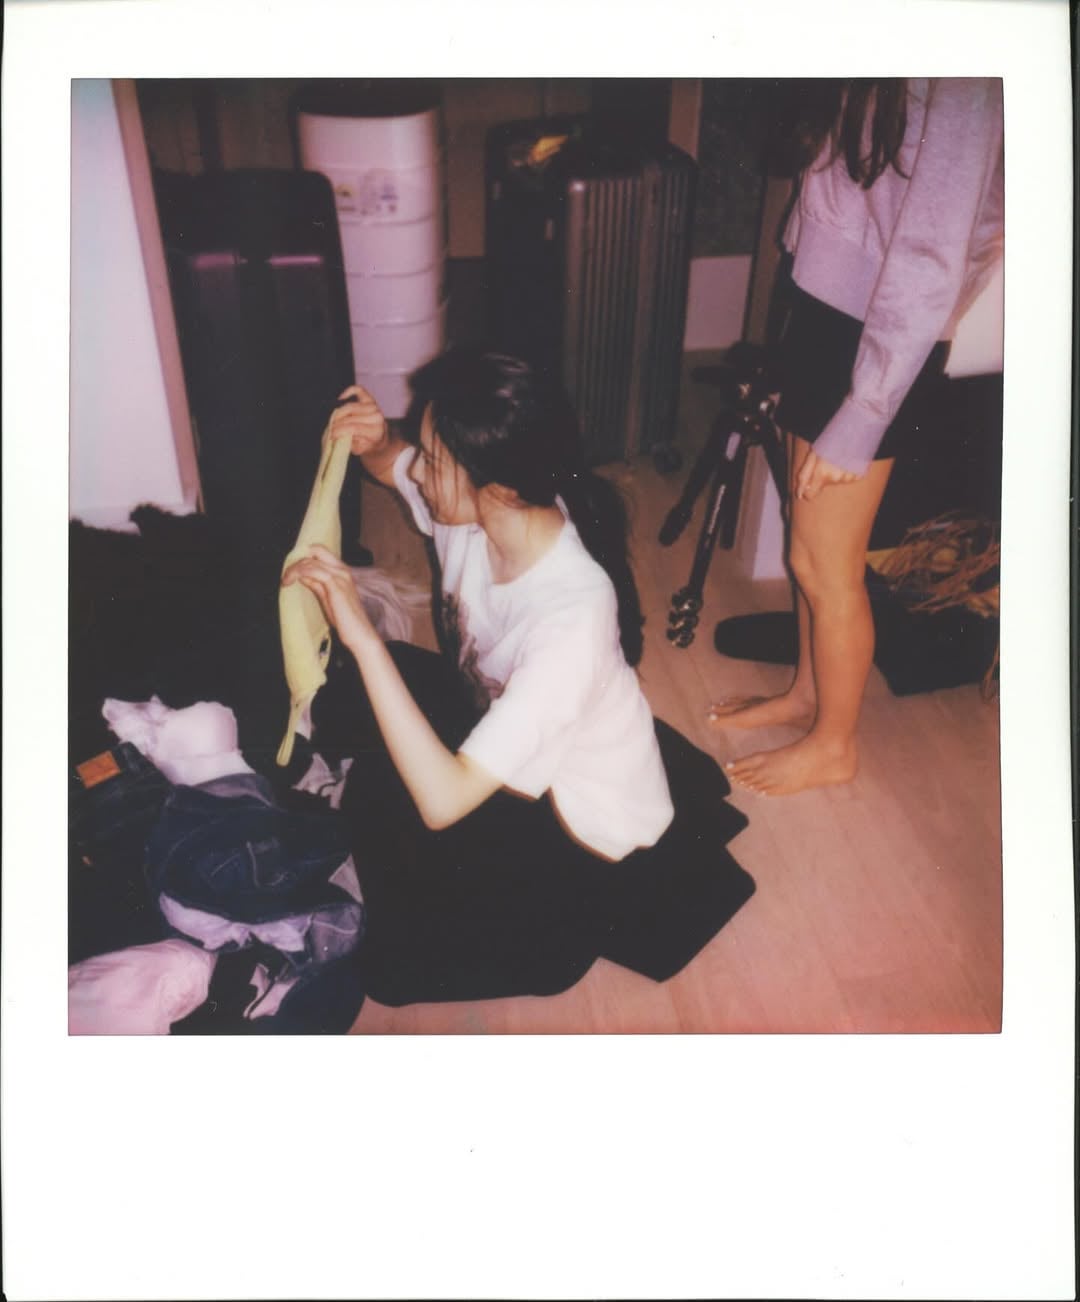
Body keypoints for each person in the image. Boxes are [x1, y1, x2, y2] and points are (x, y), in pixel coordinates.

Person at [283, 350, 752, 1005]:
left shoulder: (571, 618)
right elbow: (397, 467)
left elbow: (443, 802)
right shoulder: (488, 506)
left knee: (391, 960)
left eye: (432, 460)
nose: (419, 473)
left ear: (496, 486)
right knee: (369, 712)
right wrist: (380, 442)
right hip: (513, 734)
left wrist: (363, 636)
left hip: (579, 830)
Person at [709, 78, 1004, 796]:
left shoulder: (963, 69)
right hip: (828, 306)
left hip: (882, 331)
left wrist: (867, 408)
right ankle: (807, 696)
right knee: (806, 543)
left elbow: (934, 250)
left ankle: (835, 743)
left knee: (825, 563)